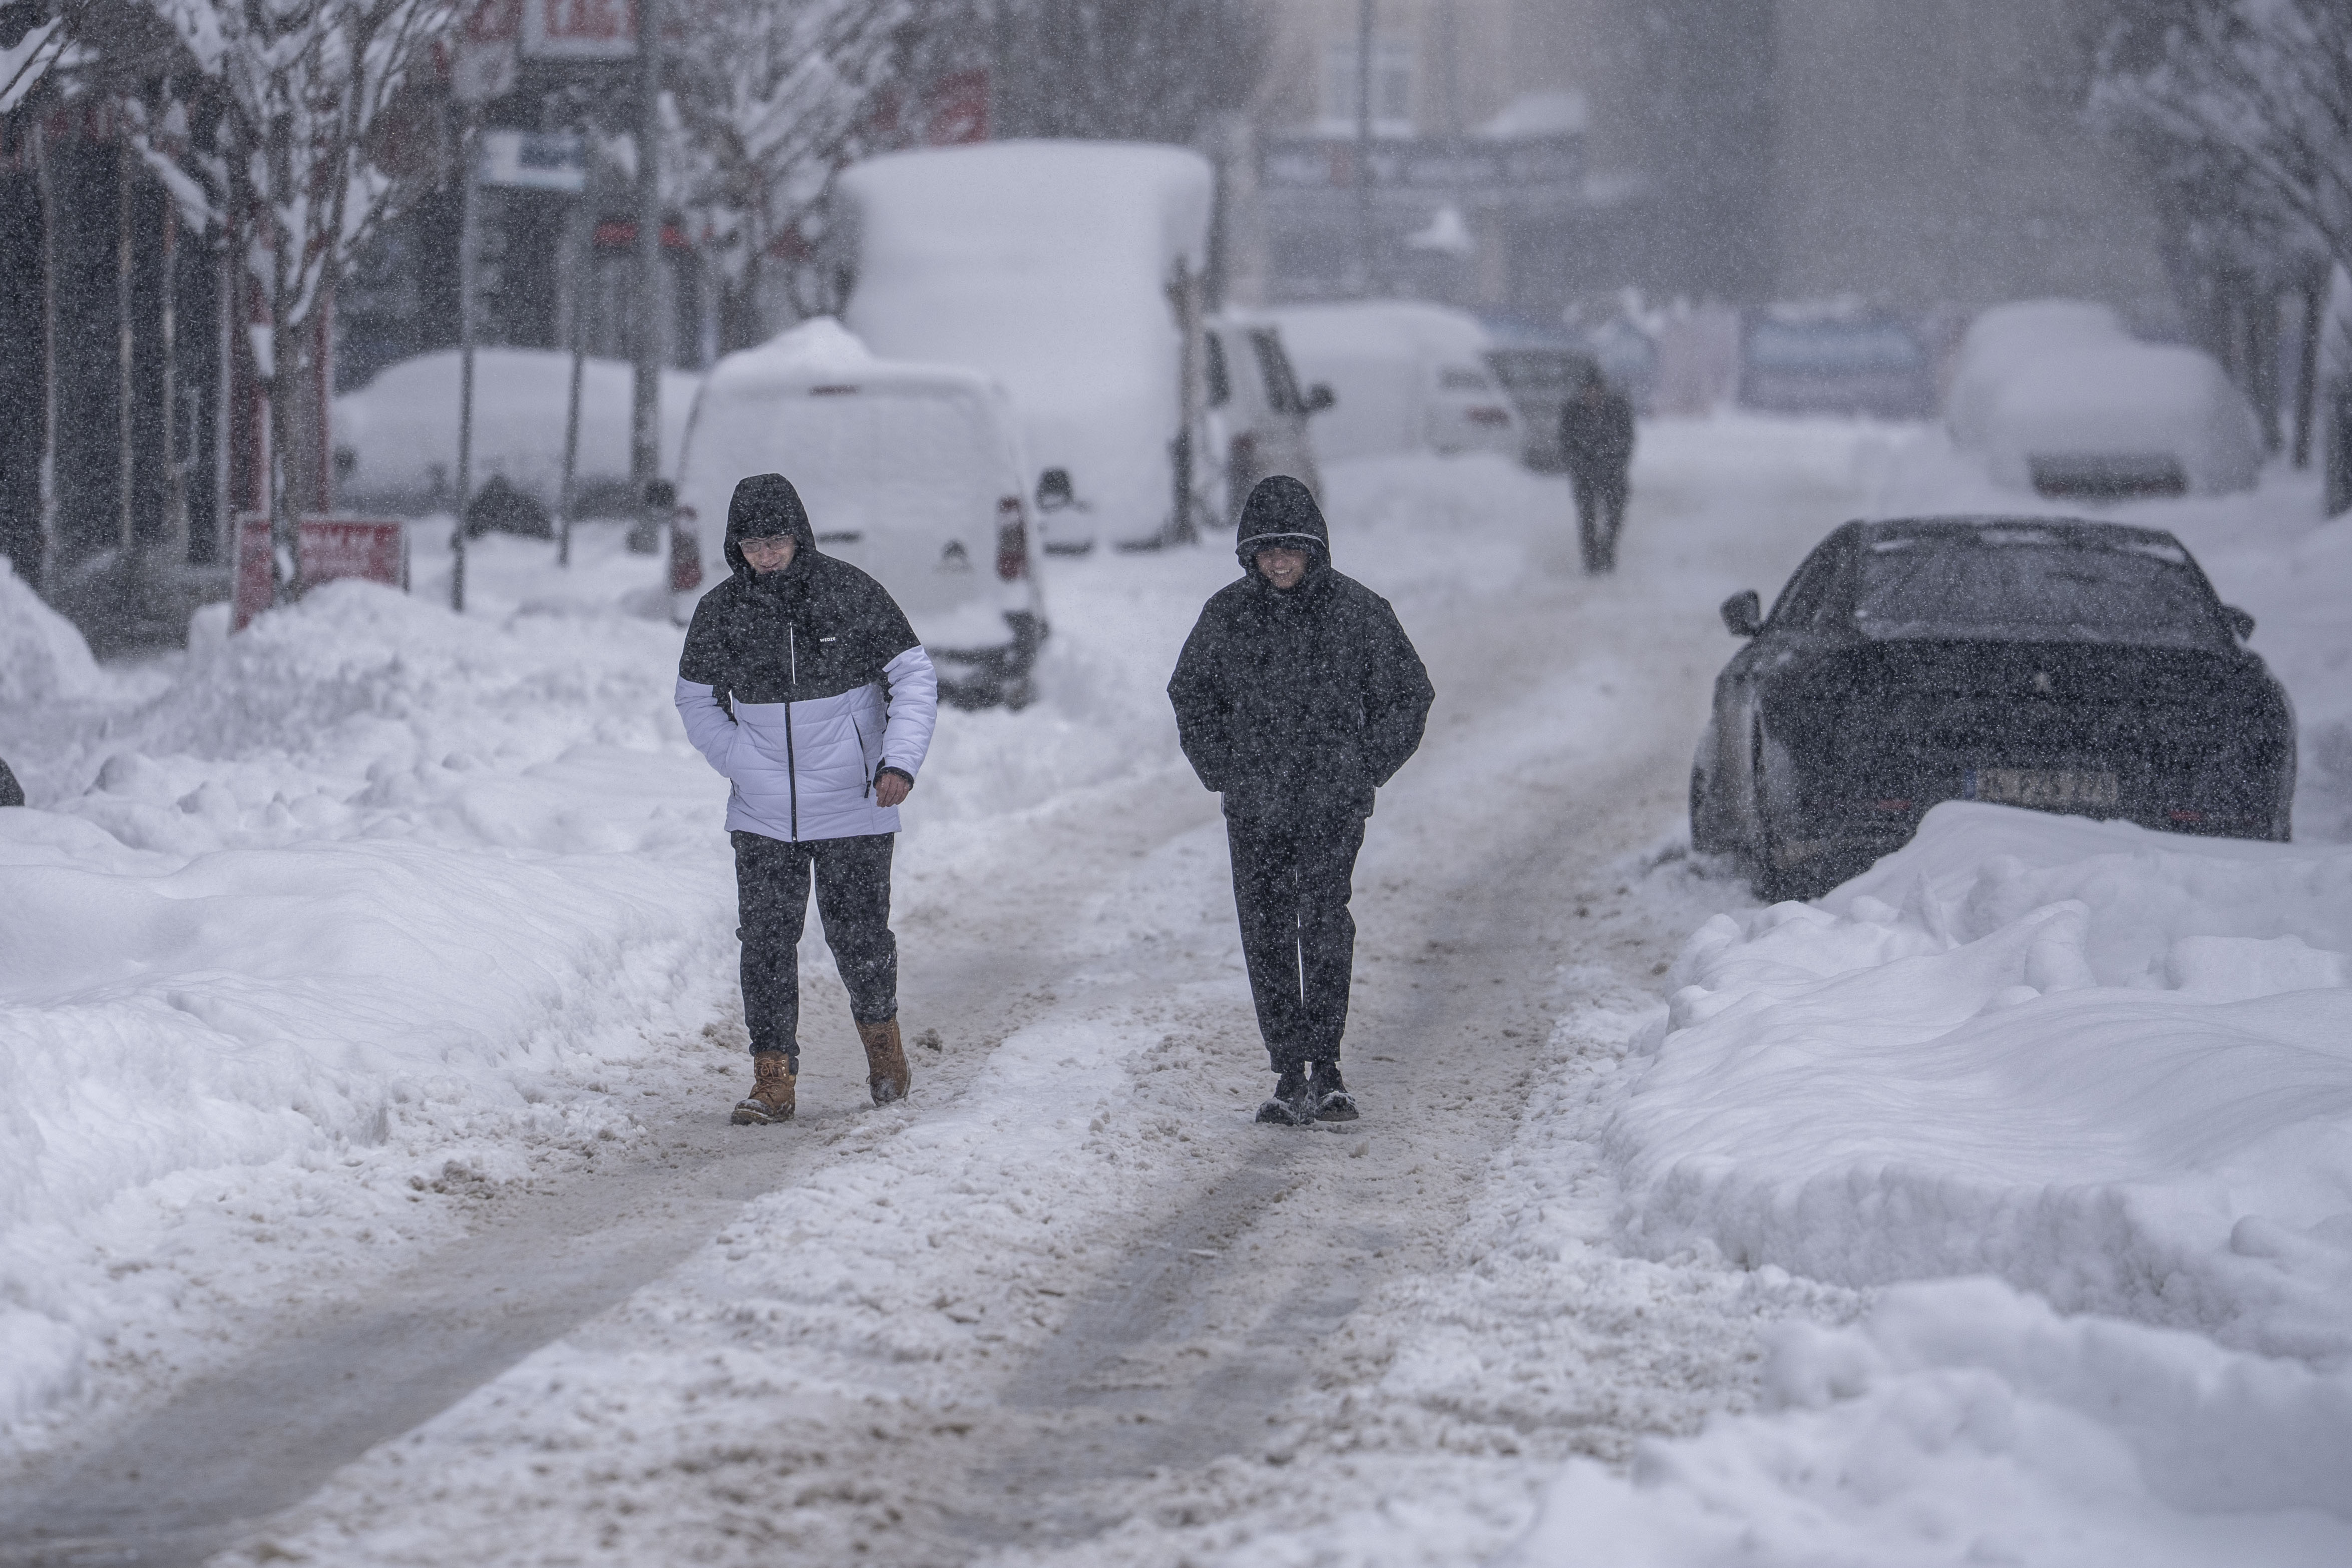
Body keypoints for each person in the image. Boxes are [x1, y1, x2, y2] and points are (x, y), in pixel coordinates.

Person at [1167, 476, 1434, 1126]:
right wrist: (1223, 770)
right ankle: (1287, 1070)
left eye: (1291, 549)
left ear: (1314, 551)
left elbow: (1410, 694)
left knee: (1321, 924)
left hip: (1329, 806)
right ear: (1248, 555)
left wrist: (1365, 766)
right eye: (1266, 551)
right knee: (1263, 931)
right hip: (1256, 806)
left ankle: (1329, 1065)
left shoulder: (1357, 612)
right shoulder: (1226, 617)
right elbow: (1190, 695)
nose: (1279, 562)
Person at [675, 474, 939, 1125]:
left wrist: (898, 762)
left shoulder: (849, 593)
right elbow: (693, 698)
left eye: (775, 541)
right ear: (735, 547)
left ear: (798, 537)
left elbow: (913, 673)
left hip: (853, 804)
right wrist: (743, 763)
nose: (766, 555)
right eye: (752, 544)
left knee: (858, 936)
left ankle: (883, 1051)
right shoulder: (720, 611)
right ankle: (772, 1080)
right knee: (764, 942)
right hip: (763, 813)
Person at [1558, 370, 1636, 573]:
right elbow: (1566, 442)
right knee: (1587, 517)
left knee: (1615, 515)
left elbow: (1627, 439)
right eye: (1588, 391)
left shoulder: (1618, 408)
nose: (1592, 395)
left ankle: (1608, 550)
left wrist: (1615, 463)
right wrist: (1580, 465)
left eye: (1596, 390)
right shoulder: (1572, 410)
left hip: (1613, 473)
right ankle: (1591, 559)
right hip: (1584, 473)